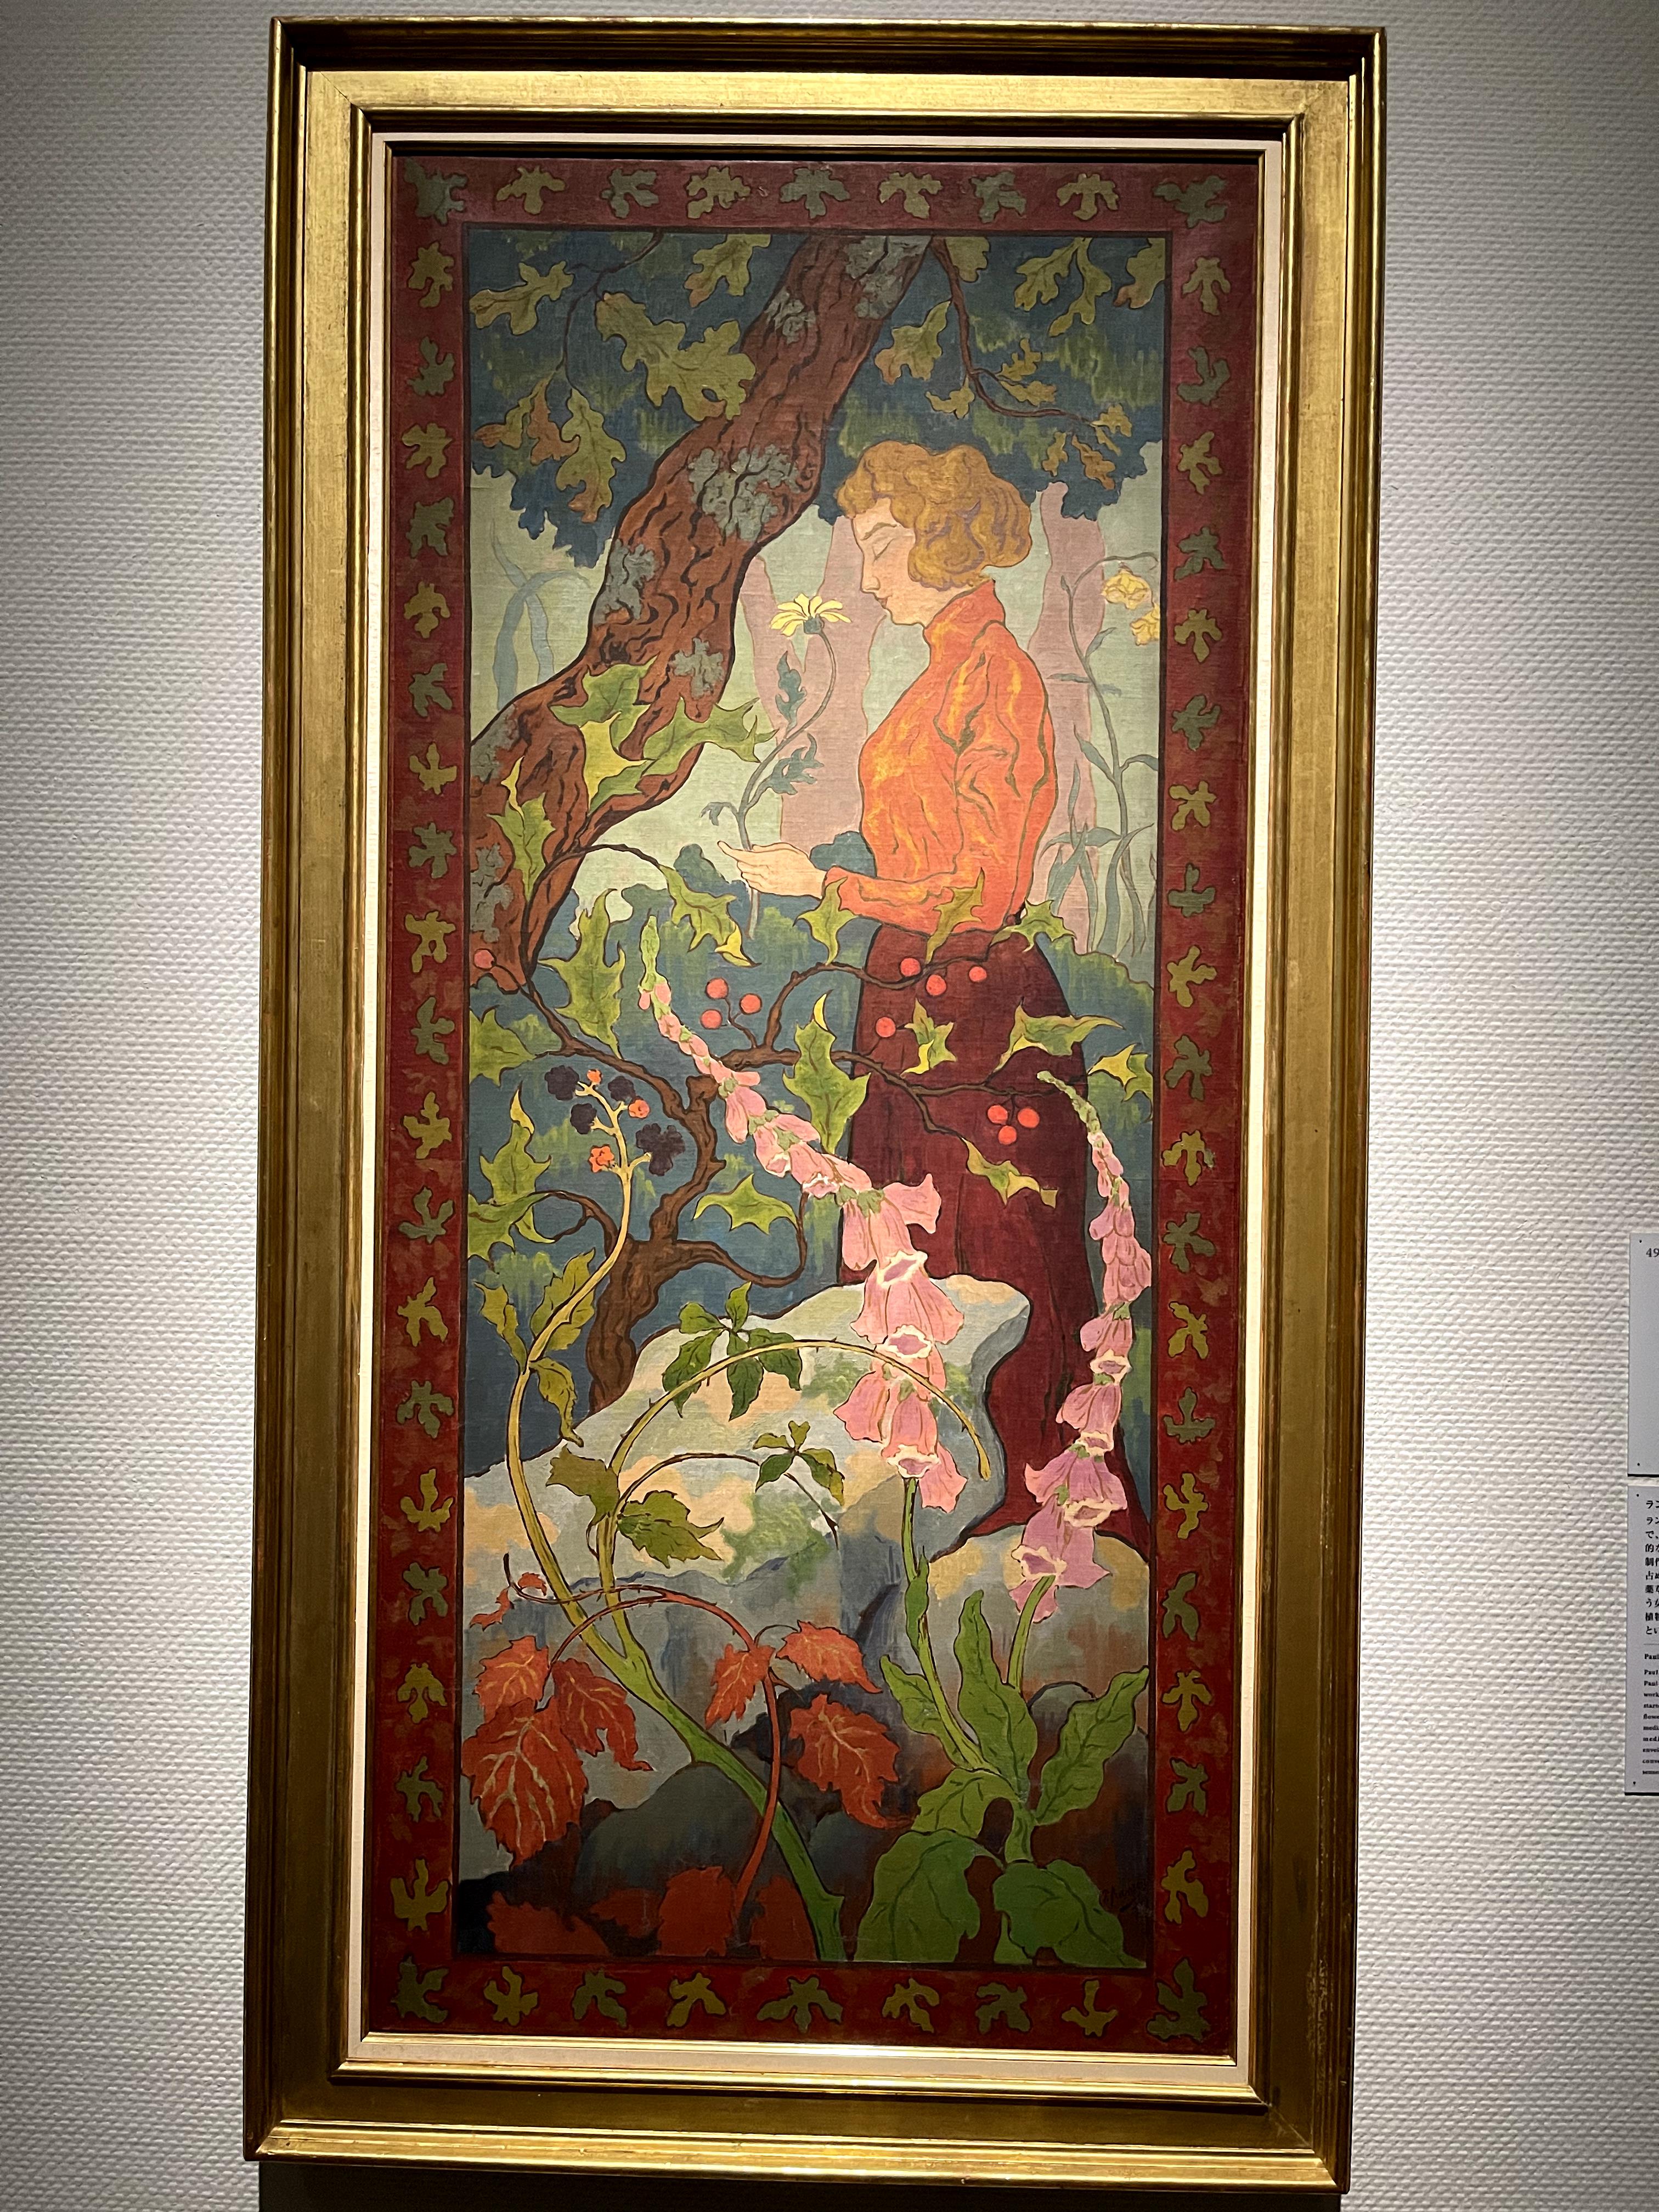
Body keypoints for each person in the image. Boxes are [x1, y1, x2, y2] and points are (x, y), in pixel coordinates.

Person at [727, 442, 1144, 1548]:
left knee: (997, 1265)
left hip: (978, 1021)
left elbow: (986, 889)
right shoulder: (939, 673)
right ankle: (911, 1530)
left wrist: (829, 884)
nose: (867, 576)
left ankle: (1033, 1531)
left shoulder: (995, 675)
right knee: (903, 1266)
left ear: (945, 540)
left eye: (882, 546)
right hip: (909, 1009)